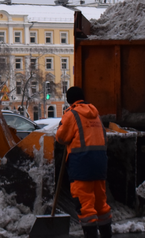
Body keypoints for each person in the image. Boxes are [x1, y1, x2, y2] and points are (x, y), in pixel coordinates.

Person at [55, 86, 112, 238]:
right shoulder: (96, 114)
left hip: (81, 166)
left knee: (85, 207)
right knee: (101, 204)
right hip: (99, 165)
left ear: (69, 100)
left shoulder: (71, 114)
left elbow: (61, 138)